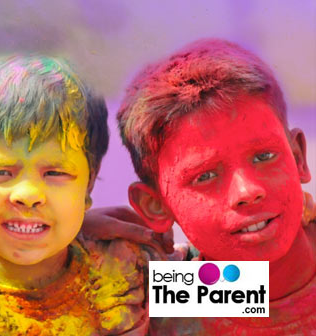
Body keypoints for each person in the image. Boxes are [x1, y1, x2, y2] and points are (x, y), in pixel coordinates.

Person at [0, 55, 153, 335]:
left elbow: (226, 295)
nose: (29, 194)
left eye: (55, 173)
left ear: (88, 185)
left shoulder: (128, 269)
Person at [117, 38, 316, 334]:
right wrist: (78, 231)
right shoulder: (163, 300)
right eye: (205, 176)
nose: (247, 191)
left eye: (264, 156)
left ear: (298, 158)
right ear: (155, 206)